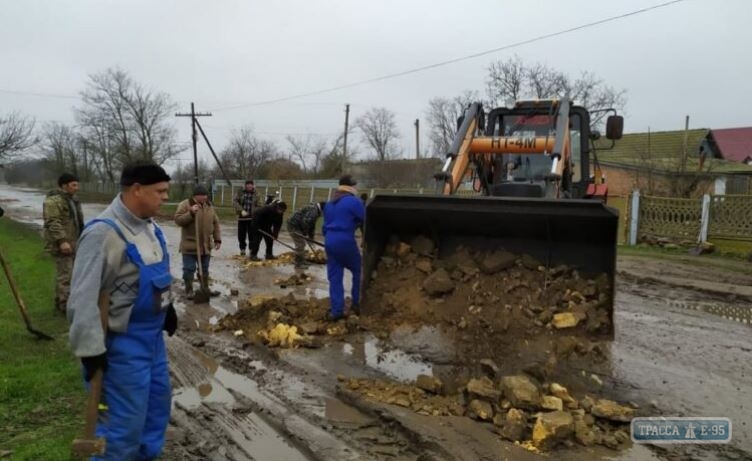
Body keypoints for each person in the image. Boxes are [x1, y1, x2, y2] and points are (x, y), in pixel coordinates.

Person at [67, 162, 176, 460]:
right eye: (160, 191)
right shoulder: (104, 234)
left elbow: (157, 275)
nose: (166, 197)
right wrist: (89, 350)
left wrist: (168, 307)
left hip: (153, 344)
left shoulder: (152, 228)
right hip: (121, 348)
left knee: (155, 413)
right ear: (136, 189)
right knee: (121, 428)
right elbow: (81, 298)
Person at [322, 175, 365, 320]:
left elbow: (324, 227)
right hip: (345, 240)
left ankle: (336, 311)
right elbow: (366, 219)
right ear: (350, 187)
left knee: (335, 277)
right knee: (358, 270)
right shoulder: (354, 202)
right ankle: (356, 304)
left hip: (330, 240)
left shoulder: (329, 204)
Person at [43, 172, 84, 313]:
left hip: (74, 242)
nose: (76, 187)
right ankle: (64, 307)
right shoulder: (53, 202)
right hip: (63, 244)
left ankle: (64, 302)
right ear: (64, 186)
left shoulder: (73, 200)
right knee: (65, 276)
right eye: (73, 185)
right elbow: (53, 222)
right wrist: (62, 241)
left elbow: (78, 222)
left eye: (77, 184)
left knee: (74, 274)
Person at [174, 184, 221, 299]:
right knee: (189, 269)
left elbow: (215, 223)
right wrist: (190, 213)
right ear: (196, 196)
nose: (205, 197)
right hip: (190, 245)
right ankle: (189, 290)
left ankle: (205, 289)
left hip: (205, 246)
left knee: (204, 269)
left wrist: (217, 239)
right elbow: (178, 220)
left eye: (206, 195)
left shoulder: (209, 206)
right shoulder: (185, 204)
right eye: (203, 195)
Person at [286, 201, 325, 268]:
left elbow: (312, 224)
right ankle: (298, 263)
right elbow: (306, 222)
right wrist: (305, 233)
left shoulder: (316, 210)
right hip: (294, 226)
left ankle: (302, 261)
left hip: (298, 226)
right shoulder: (314, 211)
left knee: (302, 244)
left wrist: (311, 237)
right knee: (300, 244)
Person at [233, 179, 259, 256]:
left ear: (253, 186)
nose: (249, 187)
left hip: (252, 217)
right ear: (245, 186)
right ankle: (242, 249)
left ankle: (251, 249)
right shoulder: (240, 192)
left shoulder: (256, 194)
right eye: (248, 185)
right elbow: (234, 201)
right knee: (241, 234)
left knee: (252, 234)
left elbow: (260, 205)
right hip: (242, 216)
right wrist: (241, 210)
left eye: (251, 185)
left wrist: (255, 213)